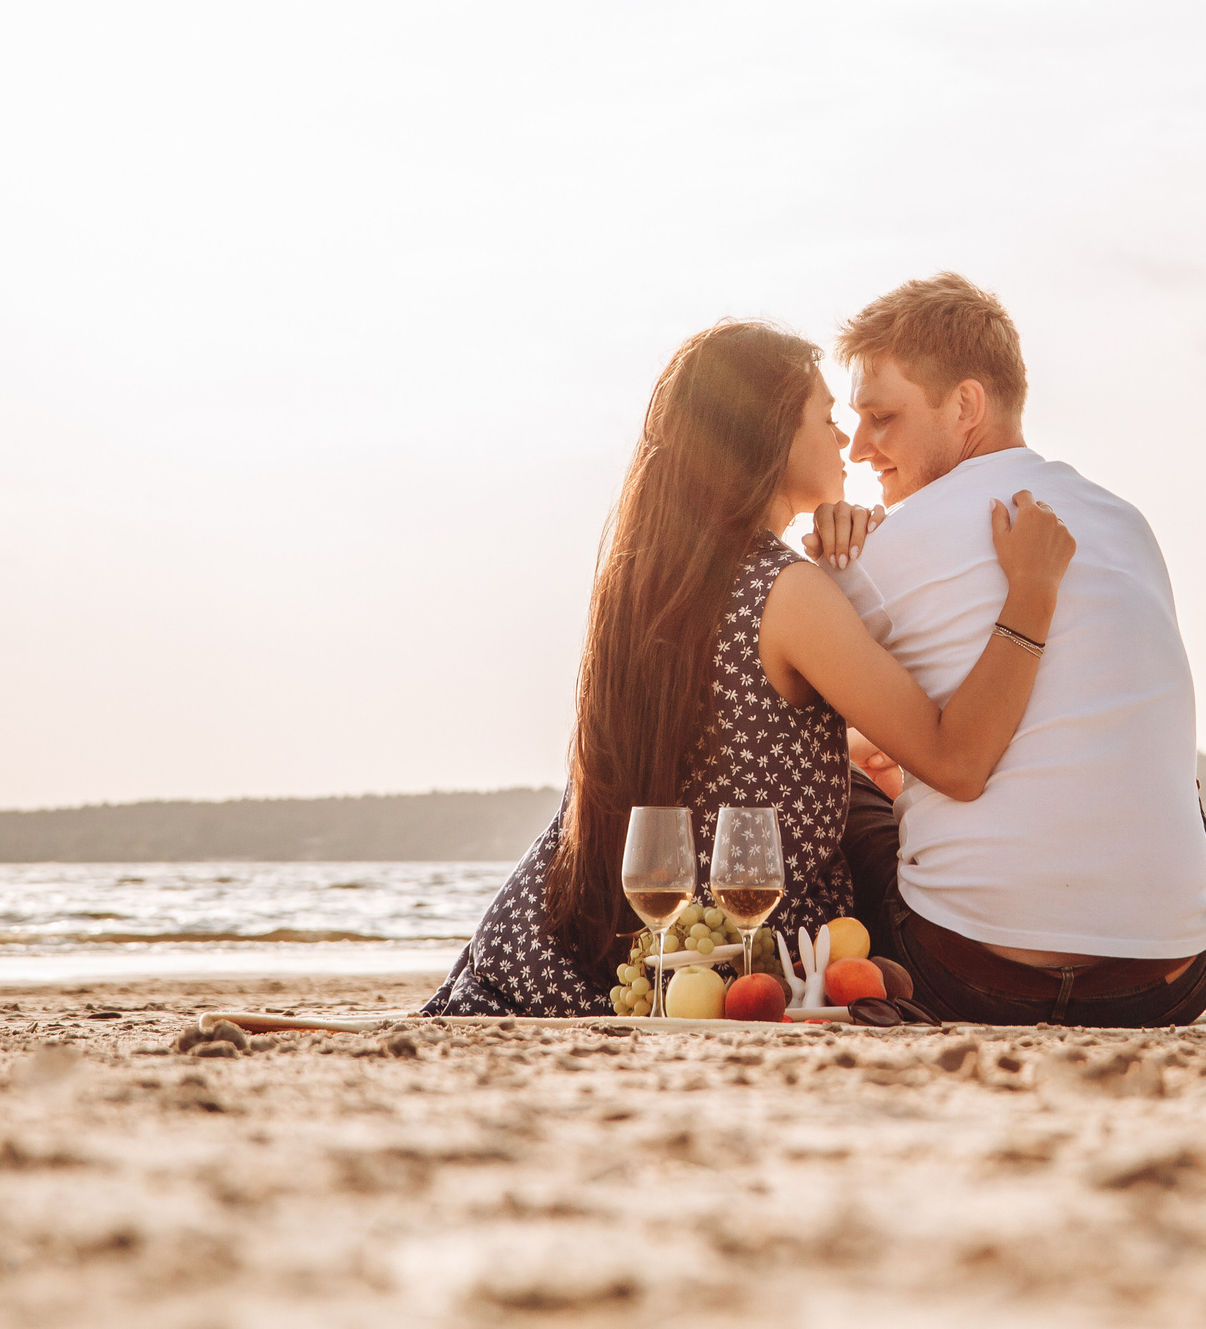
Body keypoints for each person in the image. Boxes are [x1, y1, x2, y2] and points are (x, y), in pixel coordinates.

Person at [422, 320, 1074, 1017]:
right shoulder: (789, 592)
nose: (847, 443)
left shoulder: (654, 579)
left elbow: (728, 740)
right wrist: (1031, 597)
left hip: (550, 947)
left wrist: (840, 745)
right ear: (768, 436)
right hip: (736, 959)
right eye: (826, 418)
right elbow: (958, 758)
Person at [810, 273, 1206, 1028]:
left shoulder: (881, 550)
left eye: (883, 417)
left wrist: (837, 558)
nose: (864, 445)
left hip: (972, 971)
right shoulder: (1127, 523)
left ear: (965, 405)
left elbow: (806, 711)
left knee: (820, 769)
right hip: (1170, 979)